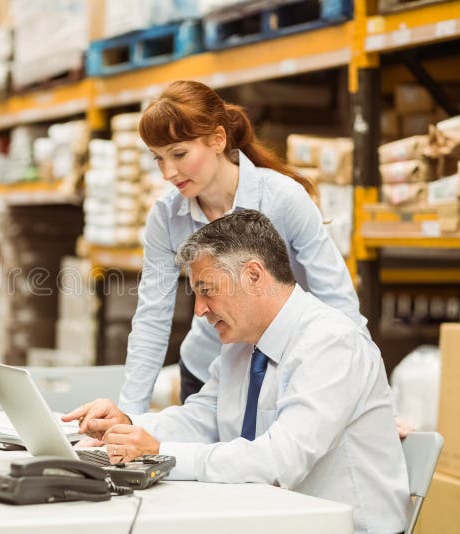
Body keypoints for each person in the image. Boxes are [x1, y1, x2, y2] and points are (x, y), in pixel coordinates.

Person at [64, 211, 409, 534]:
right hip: (275, 517)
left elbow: (278, 461)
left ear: (254, 275)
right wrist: (128, 427)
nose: (199, 310)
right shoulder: (242, 345)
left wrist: (161, 453)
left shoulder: (331, 344)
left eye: (206, 291)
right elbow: (203, 418)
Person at [120, 79, 368, 413]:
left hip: (289, 364)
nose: (168, 172)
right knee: (206, 462)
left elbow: (337, 298)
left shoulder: (282, 198)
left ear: (218, 140)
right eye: (158, 159)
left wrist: (368, 395)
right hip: (207, 370)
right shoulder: (167, 216)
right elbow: (152, 318)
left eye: (179, 154)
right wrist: (130, 416)